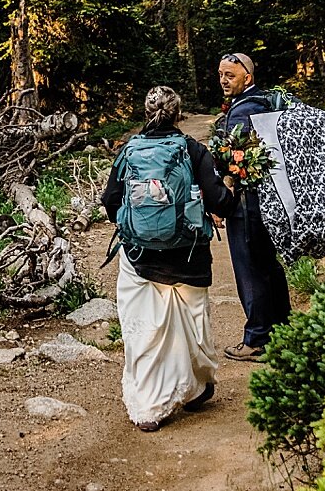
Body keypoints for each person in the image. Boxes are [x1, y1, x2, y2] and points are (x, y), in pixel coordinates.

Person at [101, 85, 238, 431]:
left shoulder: (129, 150)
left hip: (140, 257)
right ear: (179, 114)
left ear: (146, 113)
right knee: (193, 323)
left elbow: (110, 199)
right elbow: (220, 200)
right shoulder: (192, 150)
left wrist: (136, 227)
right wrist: (231, 189)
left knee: (146, 329)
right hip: (188, 255)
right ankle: (195, 388)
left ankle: (149, 405)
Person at [214, 52, 292, 360]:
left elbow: (235, 161)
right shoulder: (264, 103)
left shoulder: (244, 111)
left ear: (248, 77)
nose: (223, 80)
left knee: (250, 270)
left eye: (230, 75)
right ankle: (283, 330)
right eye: (221, 74)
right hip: (269, 200)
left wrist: (222, 199)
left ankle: (257, 339)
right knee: (267, 265)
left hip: (247, 203)